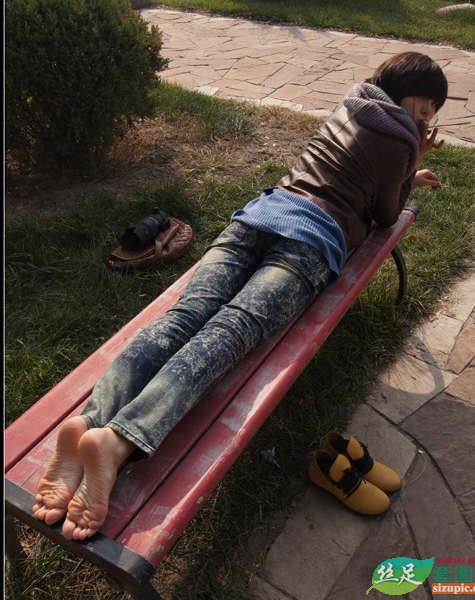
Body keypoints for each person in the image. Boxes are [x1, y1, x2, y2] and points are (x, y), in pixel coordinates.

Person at [32, 51, 448, 540]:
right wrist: (414, 159)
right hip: (309, 244)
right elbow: (385, 215)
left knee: (183, 317)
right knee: (228, 332)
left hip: (259, 216)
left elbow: (352, 167)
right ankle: (118, 440)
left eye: (433, 109)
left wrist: (404, 168)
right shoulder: (400, 139)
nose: (427, 115)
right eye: (425, 103)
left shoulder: (354, 103)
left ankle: (88, 423)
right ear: (403, 91)